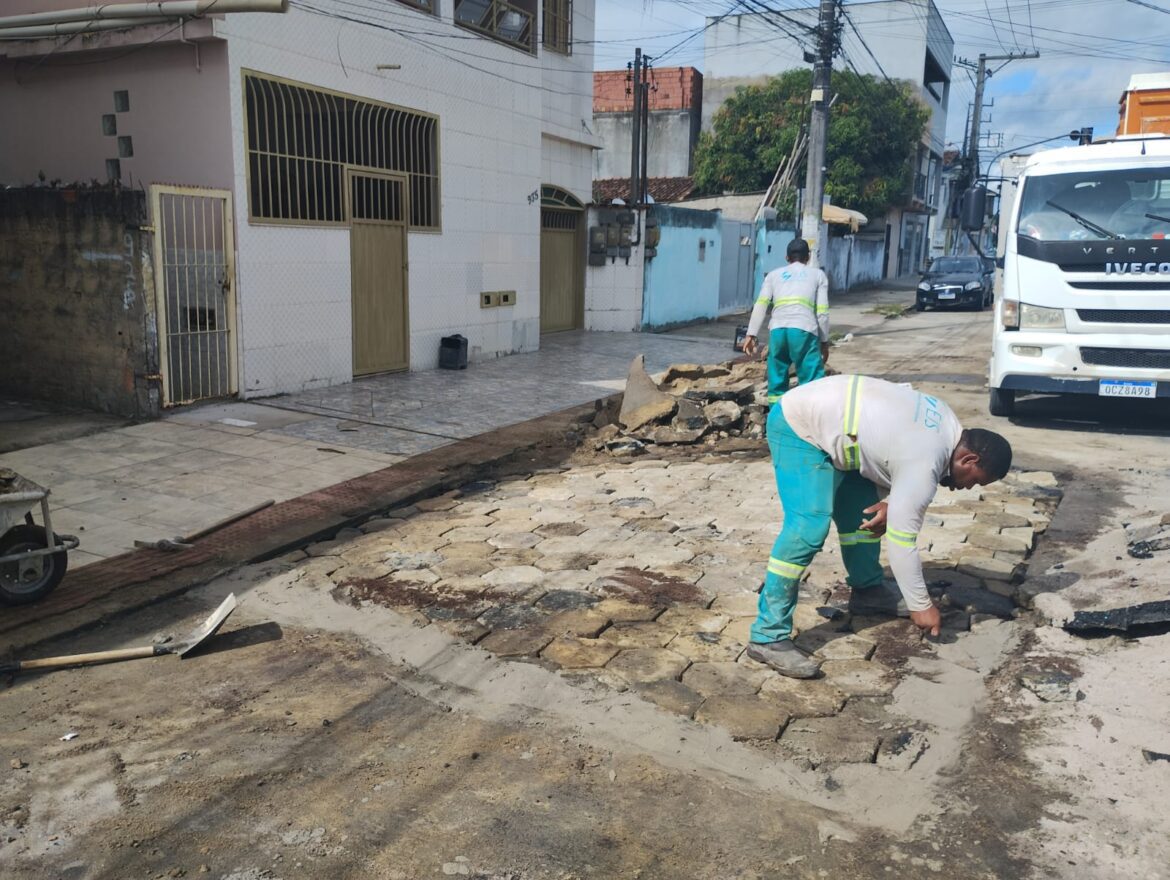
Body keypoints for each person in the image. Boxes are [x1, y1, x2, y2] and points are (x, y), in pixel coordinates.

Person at [746, 374, 1013, 679]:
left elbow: (890, 449)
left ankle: (868, 590)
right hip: (800, 426)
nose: (967, 488)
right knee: (808, 529)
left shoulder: (946, 424)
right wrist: (921, 605)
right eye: (975, 481)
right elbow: (902, 543)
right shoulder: (927, 458)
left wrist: (892, 502)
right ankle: (767, 635)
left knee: (864, 516)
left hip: (844, 433)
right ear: (969, 458)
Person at [742, 238, 830, 405]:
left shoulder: (773, 276)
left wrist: (751, 334)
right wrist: (824, 341)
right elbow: (822, 313)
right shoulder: (818, 275)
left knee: (776, 381)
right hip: (804, 331)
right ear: (808, 257)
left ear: (786, 257)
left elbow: (760, 304)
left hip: (778, 332)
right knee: (812, 382)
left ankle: (776, 422)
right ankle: (810, 422)